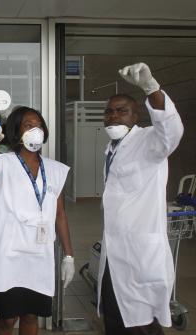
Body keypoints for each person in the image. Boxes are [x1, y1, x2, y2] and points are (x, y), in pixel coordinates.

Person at [0, 106, 74, 335]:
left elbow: (60, 215)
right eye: (28, 125)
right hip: (9, 256)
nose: (35, 129)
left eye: (38, 125)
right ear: (17, 131)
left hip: (39, 255)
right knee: (7, 319)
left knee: (30, 316)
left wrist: (68, 255)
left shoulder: (55, 170)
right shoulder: (2, 163)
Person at [97, 63, 184, 335]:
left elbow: (171, 130)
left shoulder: (150, 142)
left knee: (141, 322)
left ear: (137, 115)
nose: (113, 116)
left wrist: (151, 88)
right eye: (109, 111)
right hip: (114, 249)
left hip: (140, 252)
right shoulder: (111, 148)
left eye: (122, 111)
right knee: (113, 312)